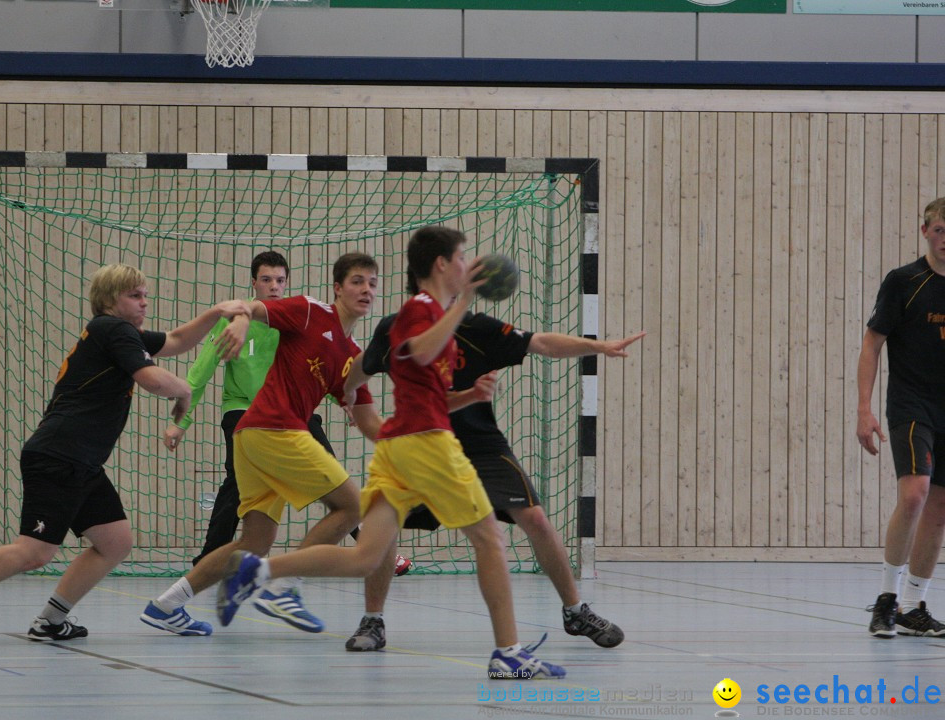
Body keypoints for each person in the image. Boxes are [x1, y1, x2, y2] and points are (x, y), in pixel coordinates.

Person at [215, 226, 566, 680]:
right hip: (427, 445)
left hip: (397, 447)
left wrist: (457, 396)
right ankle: (508, 652)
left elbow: (376, 373)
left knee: (366, 557)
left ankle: (256, 571)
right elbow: (420, 351)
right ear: (441, 264)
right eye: (461, 257)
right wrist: (464, 304)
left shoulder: (427, 314)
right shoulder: (424, 309)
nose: (466, 266)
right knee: (489, 538)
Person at [0, 264, 249, 645]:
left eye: (145, 295)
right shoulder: (113, 330)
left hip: (82, 461)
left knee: (115, 542)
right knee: (35, 550)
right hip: (60, 455)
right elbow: (153, 378)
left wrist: (214, 313)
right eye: (135, 296)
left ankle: (51, 621)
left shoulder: (123, 334)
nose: (144, 303)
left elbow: (175, 340)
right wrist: (186, 391)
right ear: (110, 301)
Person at [340, 309, 645, 652]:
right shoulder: (396, 328)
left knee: (535, 517)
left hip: (481, 445)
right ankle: (373, 620)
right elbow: (363, 365)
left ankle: (575, 612)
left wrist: (600, 346)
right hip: (421, 445)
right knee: (387, 522)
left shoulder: (477, 327)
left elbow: (542, 342)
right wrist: (350, 393)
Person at [140, 252, 384, 637]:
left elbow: (370, 421)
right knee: (352, 506)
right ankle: (282, 586)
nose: (366, 290)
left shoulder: (353, 355)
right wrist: (238, 323)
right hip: (274, 429)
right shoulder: (309, 311)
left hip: (251, 437)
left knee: (255, 540)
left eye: (372, 283)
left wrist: (414, 440)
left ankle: (165, 605)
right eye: (357, 281)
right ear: (338, 288)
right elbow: (251, 307)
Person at [165, 251, 411, 575]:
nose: (274, 286)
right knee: (236, 483)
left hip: (292, 413)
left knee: (334, 473)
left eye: (280, 280)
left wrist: (348, 401)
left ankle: (370, 545)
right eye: (266, 280)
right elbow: (200, 370)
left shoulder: (293, 320)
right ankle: (209, 562)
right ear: (254, 282)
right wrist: (181, 423)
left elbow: (323, 365)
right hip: (244, 410)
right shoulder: (239, 323)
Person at [860, 197, 945, 639]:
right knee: (914, 494)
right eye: (940, 231)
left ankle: (915, 606)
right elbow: (872, 344)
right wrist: (864, 408)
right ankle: (887, 600)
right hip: (913, 405)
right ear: (925, 231)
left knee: (938, 508)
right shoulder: (904, 282)